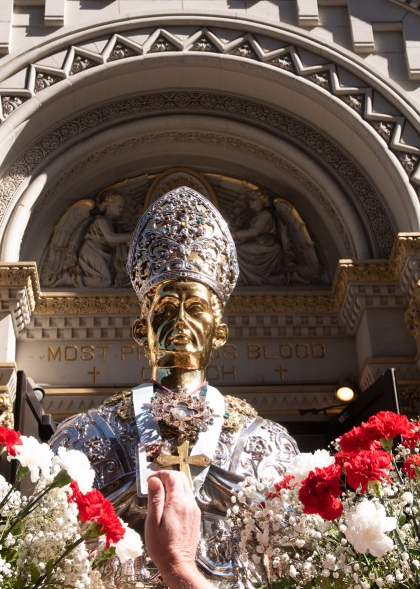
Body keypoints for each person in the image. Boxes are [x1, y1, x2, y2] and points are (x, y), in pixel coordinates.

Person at [48, 187, 298, 589]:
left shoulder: (267, 444)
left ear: (220, 332)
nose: (179, 319)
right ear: (140, 329)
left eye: (196, 308)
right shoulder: (86, 435)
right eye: (164, 309)